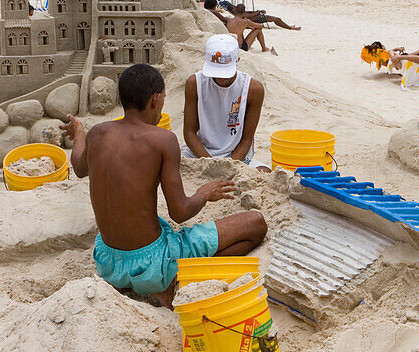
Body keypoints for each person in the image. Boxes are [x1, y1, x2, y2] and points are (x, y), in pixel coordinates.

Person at [63, 63, 266, 309]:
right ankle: (177, 280)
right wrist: (204, 194)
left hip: (108, 263)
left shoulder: (97, 133)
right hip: (152, 265)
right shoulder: (163, 140)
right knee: (256, 224)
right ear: (154, 100)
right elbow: (179, 213)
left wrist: (80, 133)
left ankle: (138, 282)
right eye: (163, 100)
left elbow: (79, 168)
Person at [183, 35, 271, 175]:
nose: (220, 78)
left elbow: (247, 138)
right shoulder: (195, 83)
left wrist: (229, 166)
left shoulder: (253, 89)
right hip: (199, 153)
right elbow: (189, 132)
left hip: (236, 155)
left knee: (264, 172)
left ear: (237, 60)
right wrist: (210, 163)